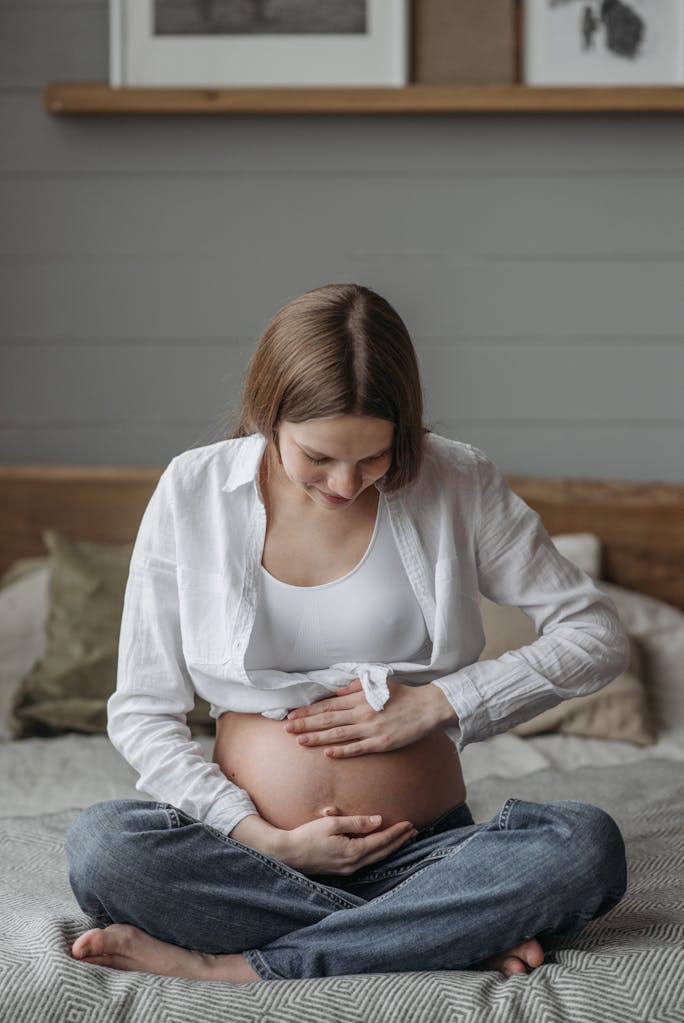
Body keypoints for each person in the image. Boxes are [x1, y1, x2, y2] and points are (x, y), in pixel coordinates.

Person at [64, 283, 630, 984]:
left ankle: (242, 964)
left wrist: (440, 703)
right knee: (104, 847)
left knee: (582, 846)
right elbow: (143, 709)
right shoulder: (193, 490)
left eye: (373, 458)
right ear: (267, 415)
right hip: (252, 857)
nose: (345, 483)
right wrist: (264, 837)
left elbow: (597, 634)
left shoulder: (458, 479)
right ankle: (438, 933)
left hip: (426, 858)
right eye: (318, 457)